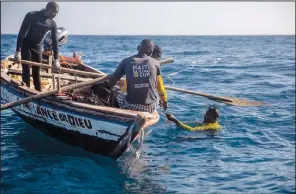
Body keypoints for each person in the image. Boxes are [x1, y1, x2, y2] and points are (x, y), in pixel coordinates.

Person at [107, 39, 168, 112]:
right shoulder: (156, 63)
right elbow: (159, 86)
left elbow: (111, 83)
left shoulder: (126, 61)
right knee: (155, 96)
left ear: (138, 47)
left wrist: (111, 83)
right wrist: (164, 101)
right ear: (151, 53)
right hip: (151, 107)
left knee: (115, 90)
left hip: (132, 106)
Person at [14, 1, 60, 91]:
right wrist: (17, 52)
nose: (55, 14)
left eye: (57, 13)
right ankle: (26, 92)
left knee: (36, 73)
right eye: (53, 12)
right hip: (26, 45)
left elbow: (55, 42)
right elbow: (22, 33)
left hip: (37, 46)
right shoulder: (31, 15)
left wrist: (57, 60)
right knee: (26, 70)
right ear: (47, 9)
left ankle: (39, 94)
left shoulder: (52, 23)